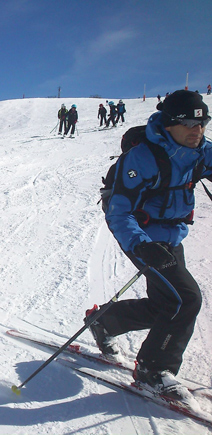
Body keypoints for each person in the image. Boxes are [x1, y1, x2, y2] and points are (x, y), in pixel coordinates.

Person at [86, 90, 212, 402]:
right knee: (185, 299)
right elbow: (119, 212)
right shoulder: (143, 158)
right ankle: (152, 369)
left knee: (165, 304)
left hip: (171, 236)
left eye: (204, 124)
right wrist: (142, 246)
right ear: (170, 124)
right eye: (189, 125)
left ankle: (104, 323)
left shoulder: (201, 151)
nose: (198, 131)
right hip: (140, 236)